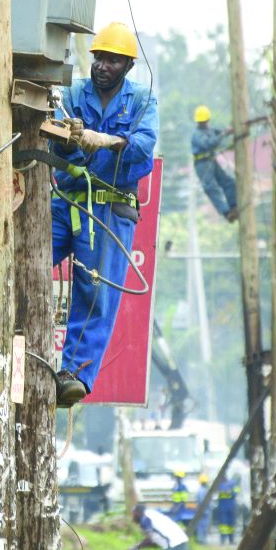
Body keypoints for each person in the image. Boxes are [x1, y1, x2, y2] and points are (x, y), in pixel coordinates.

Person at [50, 21, 159, 406]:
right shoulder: (74, 93)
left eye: (112, 61)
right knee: (23, 256)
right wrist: (67, 138)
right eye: (99, 58)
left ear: (127, 66)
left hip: (110, 208)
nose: (102, 67)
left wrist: (109, 142)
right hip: (68, 201)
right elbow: (54, 135)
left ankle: (73, 375)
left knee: (94, 291)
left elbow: (143, 147)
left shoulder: (142, 101)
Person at [190, 105, 237, 221]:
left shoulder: (209, 130)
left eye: (204, 121)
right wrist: (224, 134)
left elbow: (219, 132)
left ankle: (234, 206)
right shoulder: (196, 134)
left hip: (211, 161)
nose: (203, 123)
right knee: (211, 188)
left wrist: (228, 131)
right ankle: (226, 212)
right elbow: (209, 144)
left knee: (228, 182)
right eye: (201, 121)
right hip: (202, 164)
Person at [215, 476, 239, 545]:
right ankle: (224, 540)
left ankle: (229, 540)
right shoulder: (221, 485)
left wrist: (229, 492)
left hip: (227, 507)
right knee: (225, 524)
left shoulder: (230, 484)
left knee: (229, 524)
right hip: (227, 507)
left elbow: (235, 492)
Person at [193, 473, 211, 543]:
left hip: (202, 511)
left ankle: (201, 540)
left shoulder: (200, 490)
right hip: (205, 511)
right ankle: (202, 540)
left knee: (201, 526)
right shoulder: (205, 490)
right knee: (203, 526)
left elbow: (200, 501)